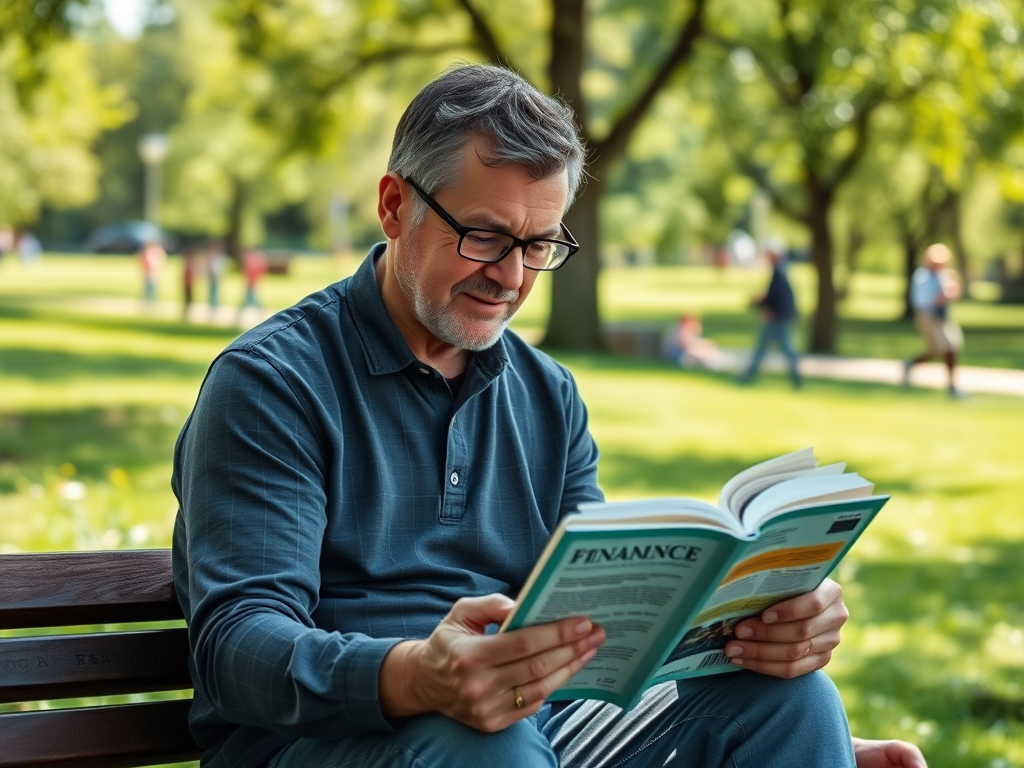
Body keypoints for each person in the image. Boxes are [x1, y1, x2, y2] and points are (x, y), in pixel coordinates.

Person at [171, 65, 926, 768]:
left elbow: (602, 631)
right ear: (395, 205)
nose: (510, 277)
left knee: (790, 702)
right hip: (326, 740)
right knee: (487, 746)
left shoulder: (546, 393)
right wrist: (420, 677)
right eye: (486, 237)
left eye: (538, 246)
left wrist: (763, 632)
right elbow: (238, 648)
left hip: (530, 723)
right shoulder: (272, 383)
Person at [903, 243, 965, 398]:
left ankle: (951, 385)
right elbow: (923, 300)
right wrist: (942, 297)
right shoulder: (923, 276)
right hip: (928, 316)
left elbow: (951, 293)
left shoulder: (944, 275)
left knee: (950, 347)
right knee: (939, 349)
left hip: (942, 317)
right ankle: (911, 364)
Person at [736, 241, 802, 388]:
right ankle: (748, 376)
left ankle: (796, 379)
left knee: (784, 350)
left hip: (779, 318)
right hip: (778, 317)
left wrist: (762, 303)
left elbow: (776, 297)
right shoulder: (780, 271)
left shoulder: (779, 272)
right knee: (764, 349)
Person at [138, 239, 166, 306]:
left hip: (151, 274)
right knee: (149, 289)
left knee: (151, 289)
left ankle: (150, 302)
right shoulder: (147, 253)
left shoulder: (151, 252)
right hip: (149, 274)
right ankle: (148, 302)